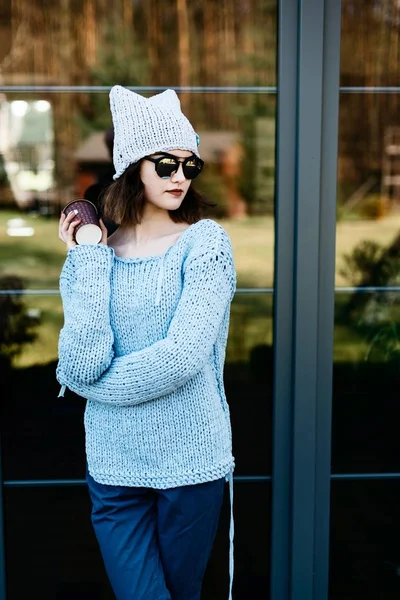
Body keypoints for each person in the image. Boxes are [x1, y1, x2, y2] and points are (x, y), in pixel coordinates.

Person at [56, 84, 236, 600]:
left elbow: (181, 358)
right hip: (113, 467)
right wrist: (89, 254)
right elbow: (80, 357)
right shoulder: (95, 255)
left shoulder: (206, 243)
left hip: (189, 464)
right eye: (165, 164)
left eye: (189, 166)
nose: (180, 176)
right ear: (133, 166)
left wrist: (92, 387)